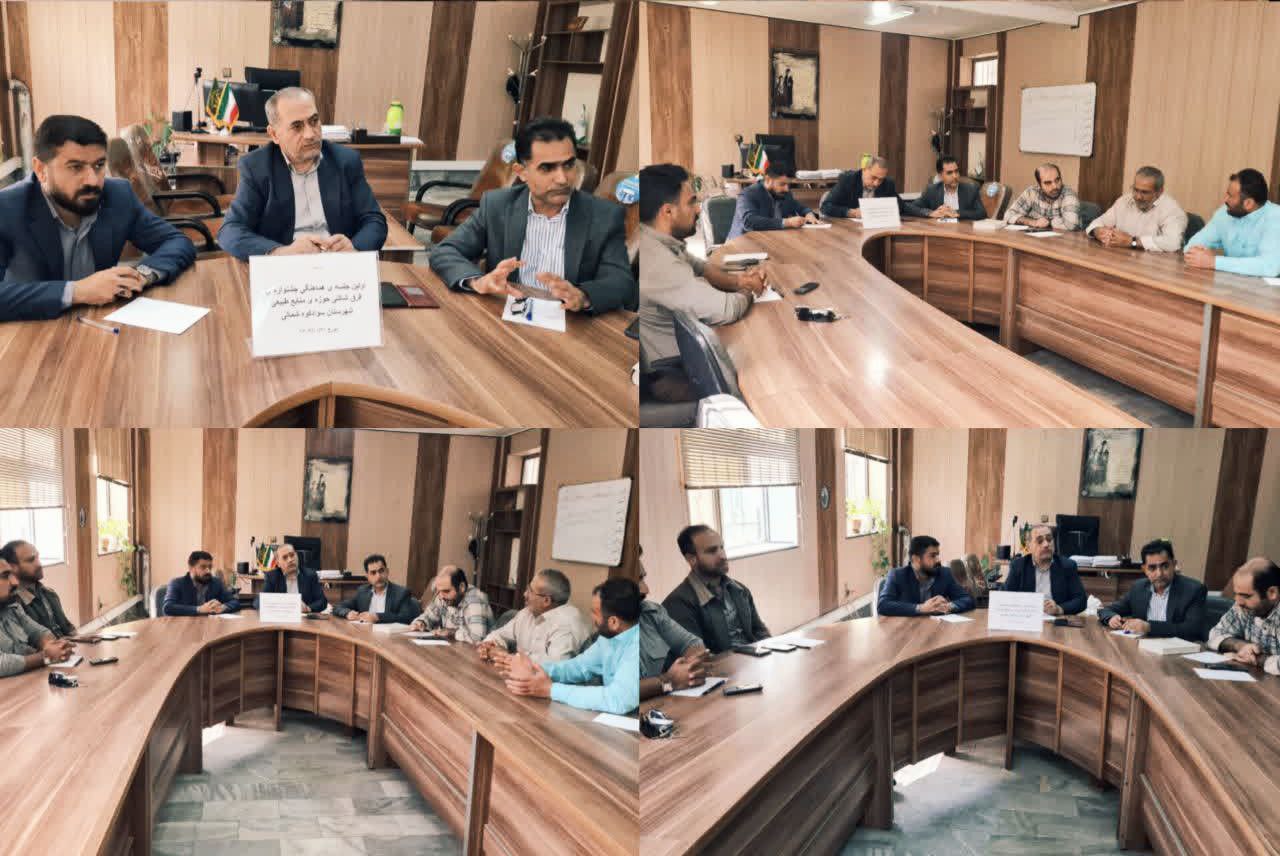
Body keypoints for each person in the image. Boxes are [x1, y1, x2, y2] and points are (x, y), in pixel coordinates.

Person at [429, 116, 636, 314]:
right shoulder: (497, 205)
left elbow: (621, 283)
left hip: (570, 321)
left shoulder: (604, 216)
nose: (562, 179)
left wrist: (583, 296)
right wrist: (477, 281)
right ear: (521, 172)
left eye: (568, 165)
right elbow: (446, 251)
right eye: (547, 168)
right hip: (508, 313)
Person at [0, 114, 196, 322]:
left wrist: (141, 275)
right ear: (41, 170)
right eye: (76, 167)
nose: (93, 181)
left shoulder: (118, 196)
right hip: (32, 331)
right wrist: (77, 291)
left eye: (99, 165)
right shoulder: (8, 208)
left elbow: (176, 241)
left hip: (100, 326)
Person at [638, 163, 764, 401]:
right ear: (668, 212)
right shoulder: (657, 262)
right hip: (671, 374)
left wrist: (740, 280)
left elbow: (702, 267)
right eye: (691, 202)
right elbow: (727, 309)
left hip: (681, 358)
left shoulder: (654, 240)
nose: (698, 209)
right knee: (759, 383)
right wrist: (751, 289)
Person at [218, 87, 387, 260]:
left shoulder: (345, 161)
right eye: (297, 126)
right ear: (274, 134)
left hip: (338, 262)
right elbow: (230, 231)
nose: (310, 134)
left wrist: (354, 248)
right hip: (288, 265)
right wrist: (281, 252)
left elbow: (374, 220)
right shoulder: (256, 168)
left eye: (314, 121)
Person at [503, 578, 639, 715]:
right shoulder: (608, 638)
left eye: (595, 613)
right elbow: (579, 667)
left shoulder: (636, 647)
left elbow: (617, 700)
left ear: (614, 622)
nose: (591, 618)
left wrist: (550, 690)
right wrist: (533, 668)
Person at [662, 525, 770, 653]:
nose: (723, 556)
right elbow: (698, 657)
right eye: (712, 551)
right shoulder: (678, 603)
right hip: (723, 665)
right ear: (691, 559)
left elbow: (760, 632)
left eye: (722, 547)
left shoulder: (739, 590)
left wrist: (773, 654)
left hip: (754, 660)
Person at [1097, 539, 1207, 640]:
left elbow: (1192, 630)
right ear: (1144, 569)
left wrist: (1149, 627)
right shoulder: (1138, 588)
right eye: (1152, 568)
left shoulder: (1193, 590)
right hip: (1143, 647)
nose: (1159, 574)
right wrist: (1111, 618)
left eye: (1165, 566)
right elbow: (1106, 610)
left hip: (1177, 649)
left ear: (1174, 565)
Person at [638, 547, 707, 700]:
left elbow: (694, 645)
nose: (646, 590)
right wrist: (669, 682)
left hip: (663, 705)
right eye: (636, 581)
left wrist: (689, 670)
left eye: (642, 578)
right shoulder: (599, 636)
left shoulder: (650, 613)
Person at [1183, 168, 1280, 277]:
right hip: (1229, 283)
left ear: (1248, 203)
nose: (1225, 199)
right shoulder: (1225, 213)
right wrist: (1198, 254)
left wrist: (1214, 262)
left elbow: (1270, 267)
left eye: (1230, 196)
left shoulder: (1275, 217)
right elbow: (1192, 245)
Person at [476, 568, 588, 662]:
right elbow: (499, 634)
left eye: (530, 591)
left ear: (546, 601)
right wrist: (489, 646)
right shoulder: (528, 613)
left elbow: (554, 667)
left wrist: (507, 657)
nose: (525, 594)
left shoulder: (566, 624)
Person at [1, 557, 76, 677]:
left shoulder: (11, 607)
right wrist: (45, 656)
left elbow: (39, 632)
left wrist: (52, 646)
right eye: (5, 576)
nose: (15, 582)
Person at [1085, 166, 1187, 252]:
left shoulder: (1172, 210)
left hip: (1154, 265)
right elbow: (1098, 222)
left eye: (1145, 192)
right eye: (1135, 190)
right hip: (1123, 258)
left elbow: (1173, 243)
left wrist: (1132, 242)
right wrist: (1098, 232)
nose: (1138, 197)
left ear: (1159, 192)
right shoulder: (1125, 201)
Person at [1207, 557, 1279, 675]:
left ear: (1272, 593)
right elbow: (1214, 635)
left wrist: (1258, 659)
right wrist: (1240, 646)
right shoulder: (1244, 606)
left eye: (1246, 596)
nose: (1238, 601)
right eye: (1236, 594)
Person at [878, 536, 975, 616]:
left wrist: (948, 606)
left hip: (936, 629)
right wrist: (921, 608)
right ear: (916, 559)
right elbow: (883, 605)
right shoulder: (897, 575)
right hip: (906, 629)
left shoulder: (944, 573)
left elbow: (968, 600)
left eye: (937, 555)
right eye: (933, 556)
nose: (938, 560)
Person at [1001, 524, 1086, 615]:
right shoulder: (1019, 566)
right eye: (1040, 541)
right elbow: (1004, 597)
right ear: (1029, 546)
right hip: (1027, 618)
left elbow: (1081, 600)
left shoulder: (1067, 566)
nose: (1046, 544)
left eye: (1049, 539)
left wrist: (1059, 609)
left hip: (1057, 619)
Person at [1, 540, 76, 637]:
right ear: (12, 567)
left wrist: (82, 639)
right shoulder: (13, 603)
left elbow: (69, 630)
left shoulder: (49, 593)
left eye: (37, 557)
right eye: (31, 560)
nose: (39, 564)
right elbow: (31, 643)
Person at [725, 163, 819, 240]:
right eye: (782, 184)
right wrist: (787, 222)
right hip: (742, 244)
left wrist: (808, 214)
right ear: (768, 180)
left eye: (789, 185)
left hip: (770, 241)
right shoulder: (748, 194)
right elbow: (749, 221)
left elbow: (799, 207)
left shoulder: (785, 194)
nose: (787, 189)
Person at [410, 565, 494, 642]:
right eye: (438, 591)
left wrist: (452, 632)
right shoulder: (443, 596)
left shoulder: (475, 599)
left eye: (446, 591)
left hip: (477, 651)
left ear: (461, 587)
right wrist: (421, 622)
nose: (441, 596)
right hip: (454, 648)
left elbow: (478, 637)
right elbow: (428, 616)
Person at [333, 554, 421, 624]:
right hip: (365, 634)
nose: (378, 576)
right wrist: (347, 613)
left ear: (387, 571)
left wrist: (378, 617)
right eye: (373, 573)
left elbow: (405, 618)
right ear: (367, 576)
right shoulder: (362, 592)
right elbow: (338, 607)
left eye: (381, 571)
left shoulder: (401, 593)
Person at [904, 156, 986, 221]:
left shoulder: (970, 190)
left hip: (963, 232)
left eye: (956, 171)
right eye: (949, 173)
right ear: (940, 176)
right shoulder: (932, 190)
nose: (955, 176)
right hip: (940, 232)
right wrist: (930, 213)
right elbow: (910, 208)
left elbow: (981, 213)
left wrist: (957, 213)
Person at [253, 543, 328, 614]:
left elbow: (322, 601)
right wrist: (280, 606)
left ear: (297, 556)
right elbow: (258, 602)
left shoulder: (310, 575)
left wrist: (308, 608)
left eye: (292, 555)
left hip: (304, 619)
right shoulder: (272, 577)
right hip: (282, 618)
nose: (290, 560)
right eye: (285, 557)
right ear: (278, 563)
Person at [1004, 163, 1082, 231]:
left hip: (1064, 241)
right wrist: (1032, 222)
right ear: (1039, 185)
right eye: (1048, 183)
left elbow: (1071, 225)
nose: (1055, 186)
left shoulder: (1069, 195)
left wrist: (1049, 222)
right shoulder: (1031, 192)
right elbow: (1008, 215)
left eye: (1057, 180)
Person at [820, 156, 902, 220]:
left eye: (881, 180)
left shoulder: (887, 183)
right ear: (864, 170)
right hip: (849, 229)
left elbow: (901, 207)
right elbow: (826, 207)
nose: (876, 183)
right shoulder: (848, 180)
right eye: (873, 177)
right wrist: (852, 213)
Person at [163, 551, 242, 616]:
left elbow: (235, 602)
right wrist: (199, 609)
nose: (208, 571)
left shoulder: (216, 582)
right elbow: (168, 607)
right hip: (185, 626)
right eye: (203, 567)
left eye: (210, 567)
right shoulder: (177, 583)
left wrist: (223, 607)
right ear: (191, 568)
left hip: (210, 626)